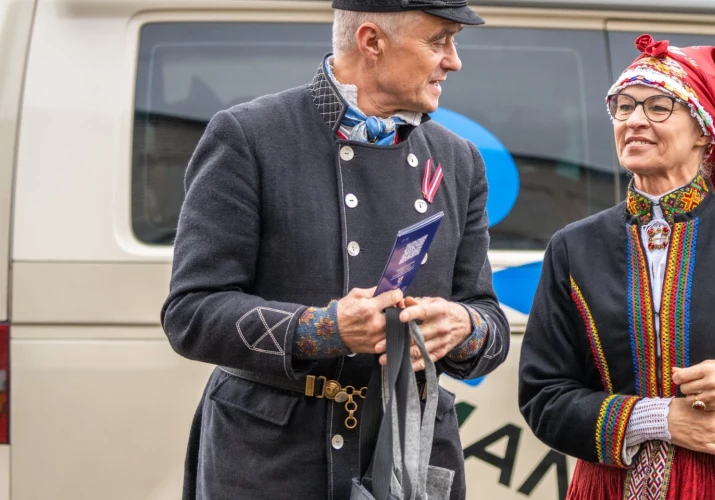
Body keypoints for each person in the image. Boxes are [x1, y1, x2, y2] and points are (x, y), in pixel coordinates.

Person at [160, 1, 509, 499]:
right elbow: (190, 313)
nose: (453, 60)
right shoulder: (248, 136)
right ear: (371, 41)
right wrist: (323, 330)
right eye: (438, 40)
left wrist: (464, 326)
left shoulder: (459, 159)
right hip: (270, 461)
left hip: (407, 461)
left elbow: (489, 320)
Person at [518, 34, 715, 500]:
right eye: (623, 107)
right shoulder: (573, 247)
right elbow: (543, 396)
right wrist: (659, 419)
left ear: (704, 129)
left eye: (659, 107)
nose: (634, 121)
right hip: (614, 486)